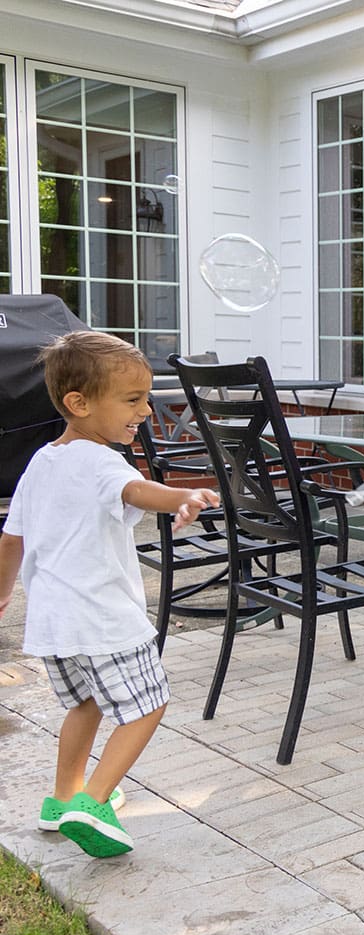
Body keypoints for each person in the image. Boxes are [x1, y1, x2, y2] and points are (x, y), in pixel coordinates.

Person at [0, 330, 220, 858]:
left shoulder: (42, 461)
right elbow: (136, 490)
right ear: (78, 403)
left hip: (54, 622)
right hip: (103, 617)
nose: (144, 409)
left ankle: (62, 798)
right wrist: (182, 496)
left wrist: (1, 595)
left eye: (145, 397)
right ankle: (93, 802)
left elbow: (11, 537)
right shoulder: (102, 462)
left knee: (86, 705)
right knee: (147, 705)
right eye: (132, 400)